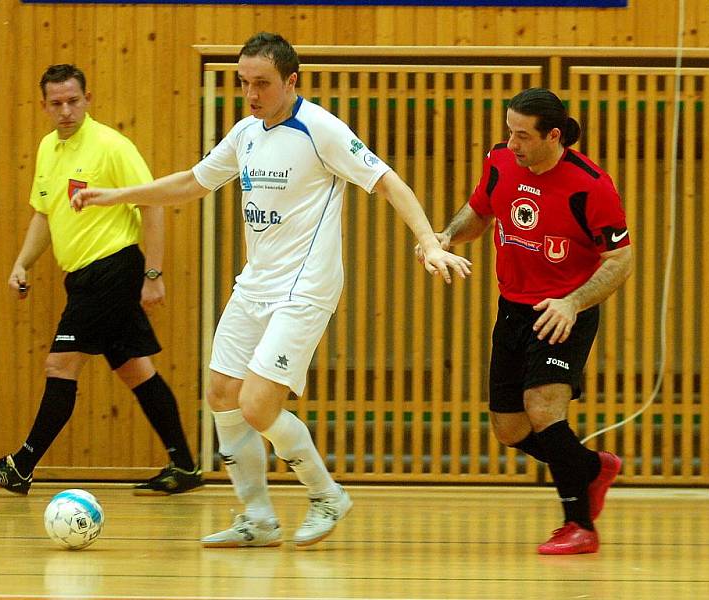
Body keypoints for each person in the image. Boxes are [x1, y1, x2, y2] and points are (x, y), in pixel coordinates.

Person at [71, 33, 472, 548]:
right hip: (254, 285)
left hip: (305, 290)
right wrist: (117, 197)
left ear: (291, 81)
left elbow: (388, 182)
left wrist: (428, 242)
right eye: (244, 83)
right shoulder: (245, 134)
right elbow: (193, 183)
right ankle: (257, 519)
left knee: (258, 404)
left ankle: (326, 494)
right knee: (221, 394)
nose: (252, 94)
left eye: (262, 83)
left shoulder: (320, 129)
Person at [0, 64, 202, 497]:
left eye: (73, 101)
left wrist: (153, 274)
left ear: (88, 99)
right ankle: (184, 466)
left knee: (60, 364)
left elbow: (154, 205)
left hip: (112, 269)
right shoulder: (47, 150)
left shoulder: (112, 146)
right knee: (135, 371)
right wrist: (22, 264)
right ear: (44, 106)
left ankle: (21, 466)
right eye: (57, 104)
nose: (66, 110)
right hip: (82, 278)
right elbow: (44, 212)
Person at [423, 88, 633, 555]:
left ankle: (579, 525)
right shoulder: (500, 162)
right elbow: (480, 211)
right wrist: (447, 236)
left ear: (553, 136)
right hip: (513, 308)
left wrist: (573, 303)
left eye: (522, 135)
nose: (512, 143)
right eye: (509, 131)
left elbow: (620, 258)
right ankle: (591, 467)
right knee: (510, 429)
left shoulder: (591, 185)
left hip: (563, 312)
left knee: (544, 409)